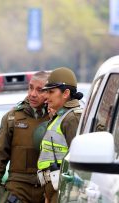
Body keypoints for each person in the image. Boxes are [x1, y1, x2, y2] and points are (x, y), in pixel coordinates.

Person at [0, 71, 50, 203]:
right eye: (30, 87)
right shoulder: (12, 118)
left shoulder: (58, 118)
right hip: (18, 188)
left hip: (48, 187)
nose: (32, 94)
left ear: (50, 92)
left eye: (40, 90)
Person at [37, 67, 83, 203]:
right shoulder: (60, 117)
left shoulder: (72, 118)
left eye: (51, 92)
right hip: (53, 189)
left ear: (66, 93)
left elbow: (78, 163)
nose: (46, 96)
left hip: (64, 190)